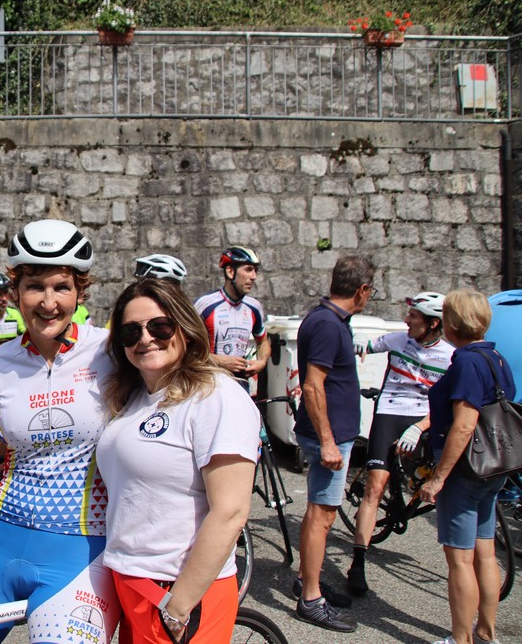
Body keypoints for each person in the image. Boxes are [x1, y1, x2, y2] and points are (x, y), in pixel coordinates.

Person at [0, 219, 121, 643]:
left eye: (61, 287)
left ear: (80, 292)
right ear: (15, 292)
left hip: (82, 552)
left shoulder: (110, 353)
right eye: (35, 287)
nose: (48, 302)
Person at [98, 277, 259, 644]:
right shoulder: (134, 398)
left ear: (185, 327)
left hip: (176, 590)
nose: (145, 338)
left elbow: (231, 512)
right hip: (131, 580)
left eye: (160, 326)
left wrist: (179, 605)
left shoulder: (216, 396)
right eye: (130, 331)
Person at [419, 289, 516, 644]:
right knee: (485, 553)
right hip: (493, 466)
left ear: (451, 322)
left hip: (466, 470)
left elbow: (463, 425)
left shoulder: (466, 363)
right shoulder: (496, 358)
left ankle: (461, 639)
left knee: (460, 560)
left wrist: (438, 479)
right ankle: (486, 632)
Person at [346, 292, 454, 596]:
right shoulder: (397, 340)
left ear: (433, 324)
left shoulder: (450, 356)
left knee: (435, 477)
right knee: (375, 487)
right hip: (389, 412)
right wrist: (357, 342)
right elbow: (366, 345)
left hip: (423, 418)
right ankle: (357, 564)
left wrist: (420, 427)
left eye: (413, 317)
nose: (406, 321)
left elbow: (448, 405)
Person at [291, 254, 376, 633]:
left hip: (331, 434)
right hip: (329, 438)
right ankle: (311, 599)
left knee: (318, 512)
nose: (370, 296)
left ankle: (307, 581)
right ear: (361, 289)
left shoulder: (328, 319)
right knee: (322, 515)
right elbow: (312, 385)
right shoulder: (327, 324)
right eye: (370, 290)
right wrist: (328, 442)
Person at [194, 246, 270, 393]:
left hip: (241, 384)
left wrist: (261, 362)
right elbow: (183, 347)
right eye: (248, 269)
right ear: (230, 271)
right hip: (209, 384)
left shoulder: (254, 307)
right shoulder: (205, 305)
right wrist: (218, 361)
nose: (254, 276)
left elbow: (263, 342)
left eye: (255, 270)